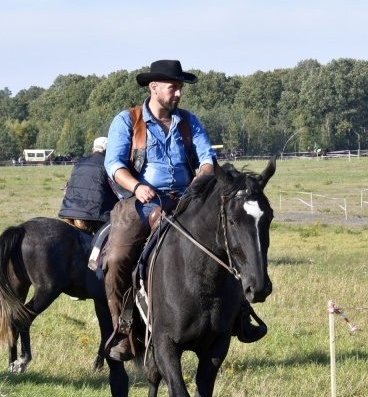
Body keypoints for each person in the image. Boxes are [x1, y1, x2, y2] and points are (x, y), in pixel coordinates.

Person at [102, 59, 267, 361]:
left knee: (225, 238)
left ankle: (240, 314)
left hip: (187, 198)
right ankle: (125, 330)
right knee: (116, 258)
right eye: (173, 87)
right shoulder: (128, 121)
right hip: (141, 201)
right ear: (154, 87)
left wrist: (200, 181)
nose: (178, 93)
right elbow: (113, 165)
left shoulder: (189, 122)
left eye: (179, 88)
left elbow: (207, 160)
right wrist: (137, 187)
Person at [59, 136, 117, 234]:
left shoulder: (79, 163)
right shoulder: (109, 164)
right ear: (108, 149)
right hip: (95, 215)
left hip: (68, 211)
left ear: (93, 148)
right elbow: (117, 191)